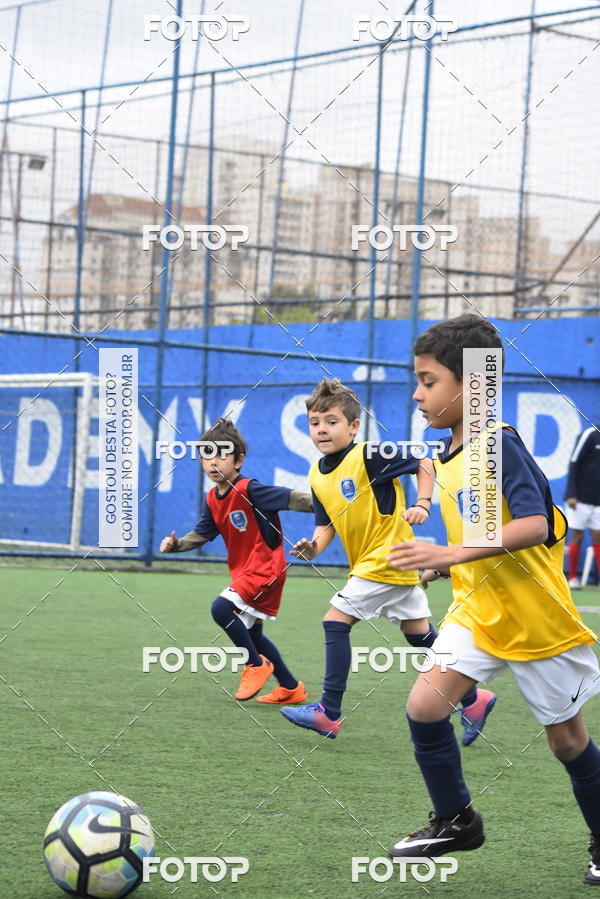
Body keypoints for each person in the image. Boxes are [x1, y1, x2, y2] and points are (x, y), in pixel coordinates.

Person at [386, 314, 600, 887]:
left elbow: (533, 524)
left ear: (471, 386)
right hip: (478, 614)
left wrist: (451, 553)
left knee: (567, 740)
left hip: (534, 619)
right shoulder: (450, 450)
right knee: (425, 707)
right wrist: (446, 565)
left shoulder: (498, 444)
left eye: (429, 381)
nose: (418, 392)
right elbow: (481, 532)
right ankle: (456, 820)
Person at [281, 377, 496, 741]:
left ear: (353, 426)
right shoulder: (316, 474)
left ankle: (328, 712)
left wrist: (422, 503)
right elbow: (325, 525)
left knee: (335, 621)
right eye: (315, 423)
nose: (322, 430)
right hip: (389, 564)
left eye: (332, 422)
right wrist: (312, 548)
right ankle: (474, 698)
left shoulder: (367, 454)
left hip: (387, 558)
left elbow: (424, 461)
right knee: (421, 636)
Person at [160, 417, 312, 705]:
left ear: (238, 460)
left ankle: (255, 665)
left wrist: (332, 504)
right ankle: (291, 688)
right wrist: (178, 545)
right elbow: (204, 533)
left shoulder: (250, 490)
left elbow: (295, 499)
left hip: (265, 569)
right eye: (207, 455)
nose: (213, 462)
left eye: (221, 454)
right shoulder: (212, 497)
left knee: (220, 608)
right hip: (247, 571)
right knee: (254, 635)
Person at [564, 425, 600, 589]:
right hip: (579, 499)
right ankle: (572, 578)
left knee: (597, 537)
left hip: (598, 500)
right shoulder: (590, 434)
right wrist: (571, 493)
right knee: (577, 535)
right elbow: (574, 462)